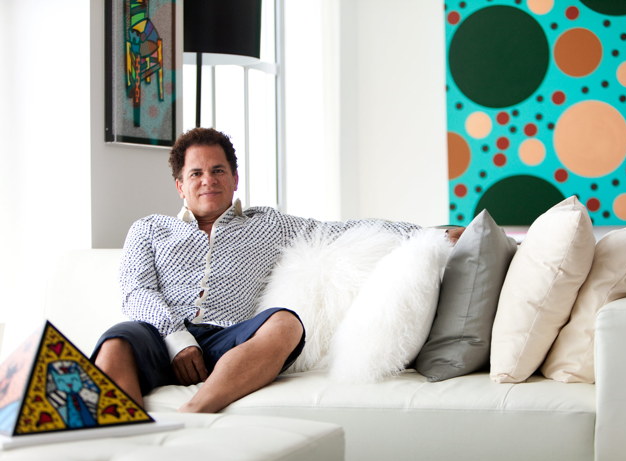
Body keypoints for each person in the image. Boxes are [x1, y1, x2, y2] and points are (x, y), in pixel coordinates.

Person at [91, 127, 438, 414]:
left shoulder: (268, 224)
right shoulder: (149, 229)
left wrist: (428, 233)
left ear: (234, 179)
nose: (208, 180)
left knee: (286, 323)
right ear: (180, 185)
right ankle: (125, 439)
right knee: (116, 341)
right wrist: (177, 340)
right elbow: (136, 291)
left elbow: (339, 230)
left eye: (218, 170)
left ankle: (194, 414)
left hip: (231, 340)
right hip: (161, 337)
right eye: (196, 173)